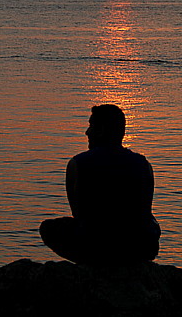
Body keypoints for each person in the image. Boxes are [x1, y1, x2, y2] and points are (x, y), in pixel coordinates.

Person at [39, 104, 161, 265]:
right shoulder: (145, 164)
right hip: (141, 247)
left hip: (97, 247)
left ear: (101, 130)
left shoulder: (77, 164)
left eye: (91, 126)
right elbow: (145, 211)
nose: (87, 132)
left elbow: (79, 214)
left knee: (48, 228)